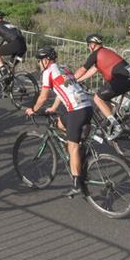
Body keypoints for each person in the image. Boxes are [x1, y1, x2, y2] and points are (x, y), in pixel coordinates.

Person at [25, 46, 94, 198]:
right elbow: (61, 90)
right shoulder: (63, 68)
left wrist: (33, 110)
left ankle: (77, 184)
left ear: (45, 60)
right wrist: (53, 108)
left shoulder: (48, 72)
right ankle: (79, 155)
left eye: (39, 61)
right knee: (59, 123)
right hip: (87, 107)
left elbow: (43, 97)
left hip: (76, 111)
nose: (39, 64)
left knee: (73, 146)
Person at [74, 34, 130, 139]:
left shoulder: (95, 54)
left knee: (97, 98)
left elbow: (83, 69)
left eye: (88, 45)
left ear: (92, 45)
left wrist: (71, 79)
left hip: (122, 80)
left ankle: (116, 126)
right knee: (104, 96)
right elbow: (93, 70)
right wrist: (78, 80)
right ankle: (112, 117)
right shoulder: (105, 52)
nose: (88, 48)